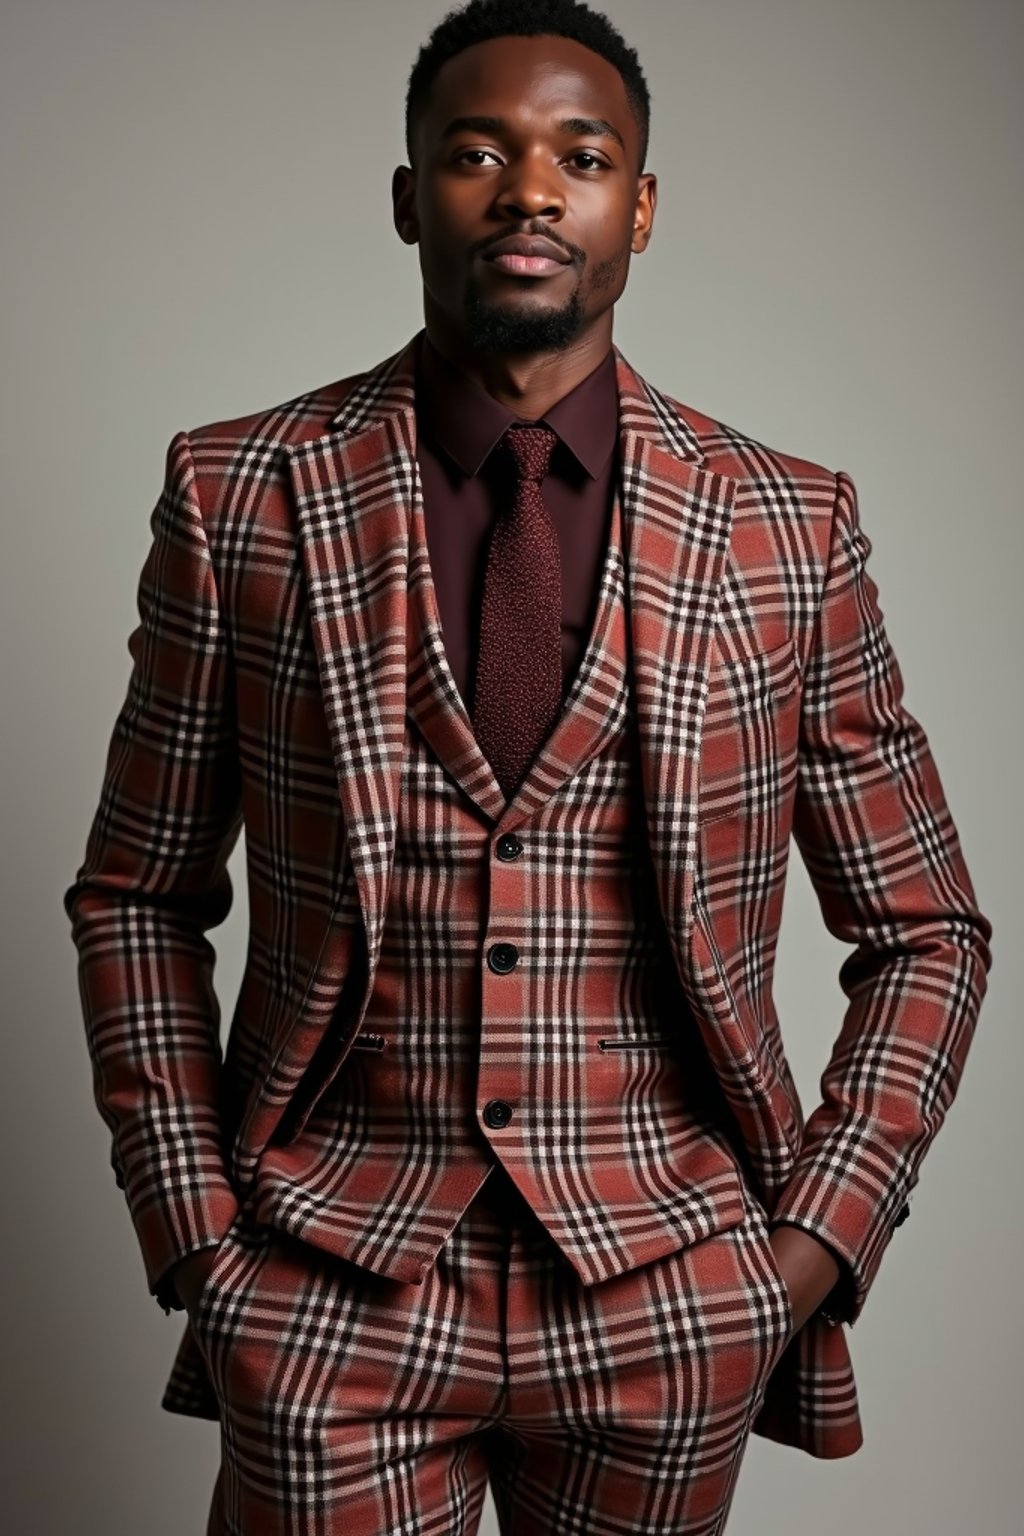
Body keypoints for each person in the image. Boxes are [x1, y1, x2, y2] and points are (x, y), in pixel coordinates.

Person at [63, 1, 992, 1531]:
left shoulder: (784, 526)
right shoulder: (242, 494)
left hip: (669, 1294)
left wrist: (812, 1245)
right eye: (475, 152)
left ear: (642, 205)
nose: (529, 191)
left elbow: (928, 929)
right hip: (327, 1286)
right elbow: (136, 892)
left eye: (583, 154)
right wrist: (198, 1238)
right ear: (405, 195)